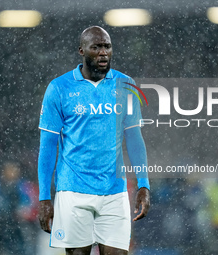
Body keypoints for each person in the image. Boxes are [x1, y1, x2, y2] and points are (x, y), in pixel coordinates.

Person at [37, 26, 150, 255]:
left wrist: (143, 184)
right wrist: (44, 198)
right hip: (72, 191)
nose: (103, 53)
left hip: (114, 190)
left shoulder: (126, 85)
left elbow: (135, 139)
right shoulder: (59, 88)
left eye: (107, 47)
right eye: (96, 47)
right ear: (82, 50)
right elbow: (48, 146)